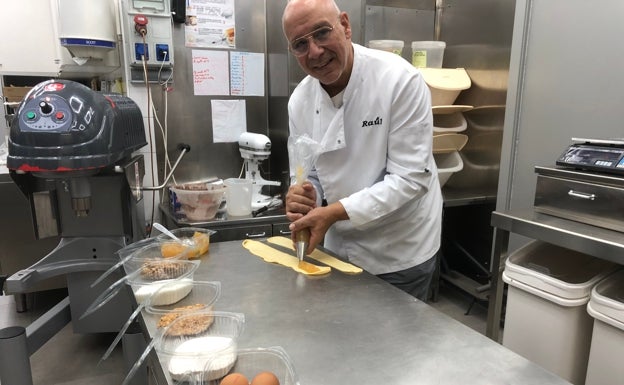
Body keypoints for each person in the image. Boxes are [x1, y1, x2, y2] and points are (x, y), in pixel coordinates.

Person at [282, 0, 443, 301]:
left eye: (321, 33)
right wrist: (303, 193)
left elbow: (410, 180)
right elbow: (311, 171)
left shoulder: (399, 80)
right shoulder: (300, 101)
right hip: (338, 245)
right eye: (300, 44)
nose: (314, 51)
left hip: (399, 248)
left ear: (345, 25)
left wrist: (332, 213)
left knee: (396, 343)